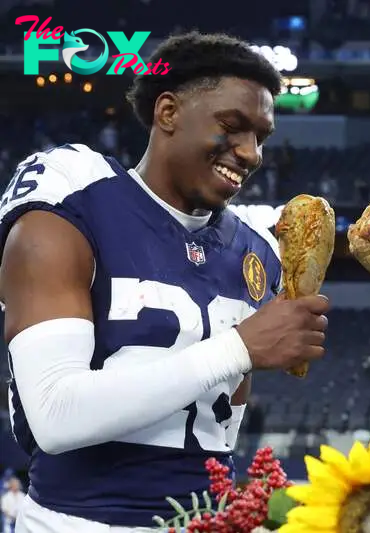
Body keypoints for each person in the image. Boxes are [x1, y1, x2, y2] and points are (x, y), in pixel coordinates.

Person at [0, 32, 330, 531]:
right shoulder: (76, 196)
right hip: (78, 521)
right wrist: (239, 348)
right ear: (169, 112)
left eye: (261, 136)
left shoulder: (255, 252)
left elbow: (222, 431)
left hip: (204, 521)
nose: (251, 153)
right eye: (233, 126)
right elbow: (55, 414)